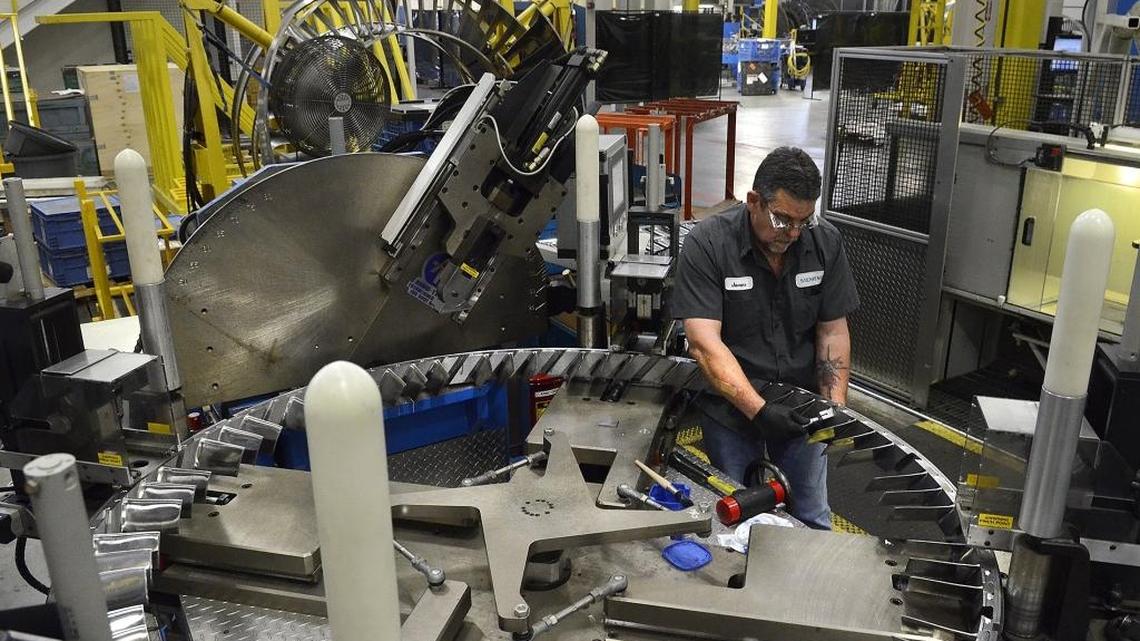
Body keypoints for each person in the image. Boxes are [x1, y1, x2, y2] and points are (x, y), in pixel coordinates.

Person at [670, 146, 859, 530]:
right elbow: (705, 344)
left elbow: (832, 330)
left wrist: (834, 407)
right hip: (730, 411)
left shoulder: (824, 243)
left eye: (803, 221)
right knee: (738, 520)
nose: (792, 233)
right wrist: (757, 409)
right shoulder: (708, 245)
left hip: (801, 407)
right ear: (753, 201)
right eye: (782, 219)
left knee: (811, 515)